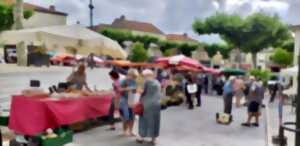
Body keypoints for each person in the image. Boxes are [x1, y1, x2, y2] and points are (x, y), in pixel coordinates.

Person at [136, 69, 161, 145]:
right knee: (155, 121)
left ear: (145, 75)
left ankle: (141, 137)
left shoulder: (145, 81)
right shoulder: (157, 82)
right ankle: (154, 139)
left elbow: (140, 91)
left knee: (144, 120)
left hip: (146, 104)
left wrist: (137, 87)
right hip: (156, 104)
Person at [119, 69, 138, 136]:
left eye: (135, 77)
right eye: (133, 76)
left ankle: (131, 131)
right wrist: (127, 89)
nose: (134, 78)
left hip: (132, 99)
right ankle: (124, 130)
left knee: (132, 115)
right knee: (126, 116)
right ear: (129, 75)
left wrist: (136, 90)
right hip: (124, 99)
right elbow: (119, 89)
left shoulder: (135, 81)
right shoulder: (124, 80)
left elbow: (136, 90)